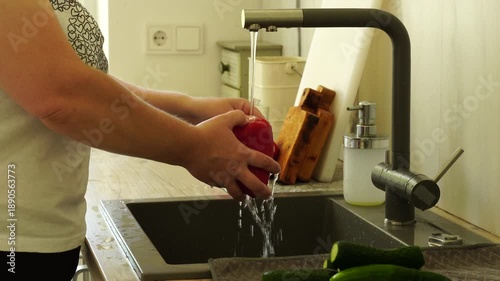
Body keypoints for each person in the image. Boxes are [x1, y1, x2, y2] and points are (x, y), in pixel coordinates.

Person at [0, 1, 280, 280]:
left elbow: (85, 81)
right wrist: (195, 147)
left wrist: (188, 108)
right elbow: (61, 96)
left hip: (38, 240)